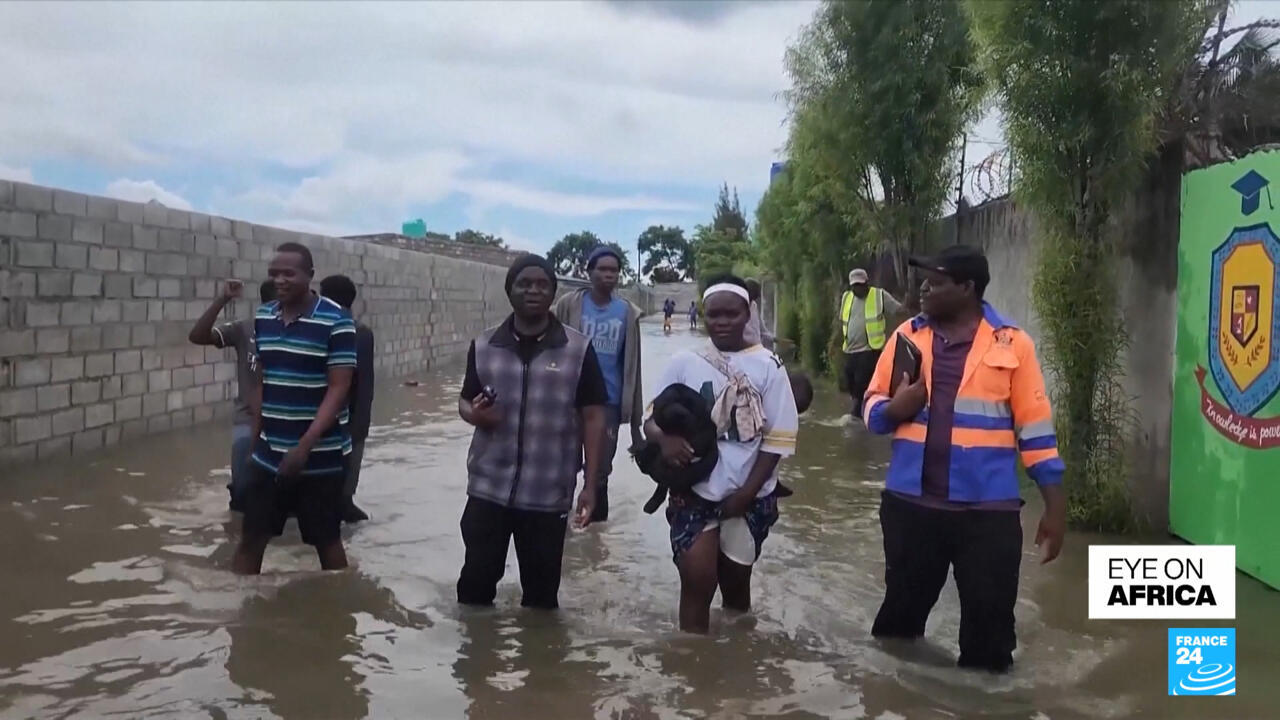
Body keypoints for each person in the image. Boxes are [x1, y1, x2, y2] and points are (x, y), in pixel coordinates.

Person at [861, 244, 1066, 673]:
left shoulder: (1014, 345)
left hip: (987, 514)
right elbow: (871, 410)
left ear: (967, 288)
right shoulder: (906, 337)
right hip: (911, 508)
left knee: (990, 644)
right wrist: (894, 409)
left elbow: (1036, 429)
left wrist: (1055, 507)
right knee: (897, 629)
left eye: (934, 283)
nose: (923, 290)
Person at [644, 275, 799, 633]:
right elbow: (650, 420)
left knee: (735, 589)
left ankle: (734, 664)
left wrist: (745, 495)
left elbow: (776, 441)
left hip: (747, 496)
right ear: (704, 313)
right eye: (714, 314)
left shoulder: (769, 367)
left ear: (748, 314)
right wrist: (663, 441)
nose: (723, 321)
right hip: (694, 492)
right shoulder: (683, 362)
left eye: (732, 313)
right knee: (697, 582)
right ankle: (694, 664)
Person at [457, 254, 608, 610]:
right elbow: (464, 403)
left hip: (548, 494)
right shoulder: (484, 345)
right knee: (473, 593)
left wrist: (590, 484)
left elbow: (593, 418)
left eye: (542, 284)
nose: (533, 290)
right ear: (510, 290)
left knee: (541, 601)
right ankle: (477, 661)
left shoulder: (578, 349)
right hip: (487, 489)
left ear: (553, 292)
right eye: (524, 283)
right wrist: (476, 415)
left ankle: (540, 665)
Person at [231, 242, 357, 575]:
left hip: (321, 457)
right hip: (268, 455)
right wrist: (255, 441)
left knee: (326, 541)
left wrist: (304, 446)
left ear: (310, 276)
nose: (280, 280)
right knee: (251, 538)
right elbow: (262, 381)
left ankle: (334, 614)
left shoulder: (337, 321)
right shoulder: (264, 316)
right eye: (274, 274)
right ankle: (241, 615)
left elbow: (339, 388)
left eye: (289, 273)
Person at [551, 246, 644, 524]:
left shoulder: (627, 313)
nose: (608, 274)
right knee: (562, 468)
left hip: (608, 403)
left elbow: (632, 368)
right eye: (602, 269)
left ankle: (595, 538)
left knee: (600, 471)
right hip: (568, 400)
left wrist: (636, 423)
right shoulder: (569, 305)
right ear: (589, 272)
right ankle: (560, 529)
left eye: (614, 270)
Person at [188, 278, 276, 512]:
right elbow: (198, 336)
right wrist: (223, 299)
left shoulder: (303, 333)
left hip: (288, 423)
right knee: (242, 494)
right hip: (248, 421)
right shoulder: (245, 329)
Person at [319, 274, 376, 524]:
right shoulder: (361, 332)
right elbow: (365, 386)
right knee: (341, 495)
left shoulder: (345, 332)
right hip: (351, 420)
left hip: (331, 421)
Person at [840, 268, 903, 418]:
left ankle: (857, 415)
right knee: (849, 378)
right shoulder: (846, 297)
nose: (857, 289)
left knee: (862, 380)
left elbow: (899, 310)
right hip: (850, 349)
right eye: (854, 286)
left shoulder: (879, 295)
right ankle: (861, 408)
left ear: (867, 283)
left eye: (860, 285)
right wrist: (835, 343)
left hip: (871, 348)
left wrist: (897, 334)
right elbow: (842, 321)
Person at [743, 279, 775, 351]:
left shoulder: (754, 306)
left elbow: (761, 329)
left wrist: (775, 339)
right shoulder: (736, 308)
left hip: (756, 349)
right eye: (756, 293)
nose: (758, 296)